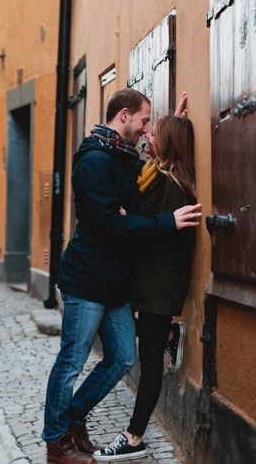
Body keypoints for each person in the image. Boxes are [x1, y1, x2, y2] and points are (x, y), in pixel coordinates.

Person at [43, 88, 202, 464]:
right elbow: (111, 225)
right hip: (87, 280)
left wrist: (169, 130)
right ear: (125, 115)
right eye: (144, 122)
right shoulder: (95, 162)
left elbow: (151, 170)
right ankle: (56, 441)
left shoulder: (122, 155)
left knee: (122, 358)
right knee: (71, 361)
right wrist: (162, 221)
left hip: (114, 283)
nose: (146, 132)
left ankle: (73, 419)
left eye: (151, 126)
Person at [94, 98, 197, 462]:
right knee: (140, 342)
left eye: (155, 132)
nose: (147, 134)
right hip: (151, 280)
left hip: (159, 283)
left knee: (149, 362)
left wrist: (127, 215)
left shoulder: (171, 185)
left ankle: (134, 436)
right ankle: (171, 334)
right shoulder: (160, 173)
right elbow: (147, 173)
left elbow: (150, 227)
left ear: (167, 144)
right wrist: (176, 125)